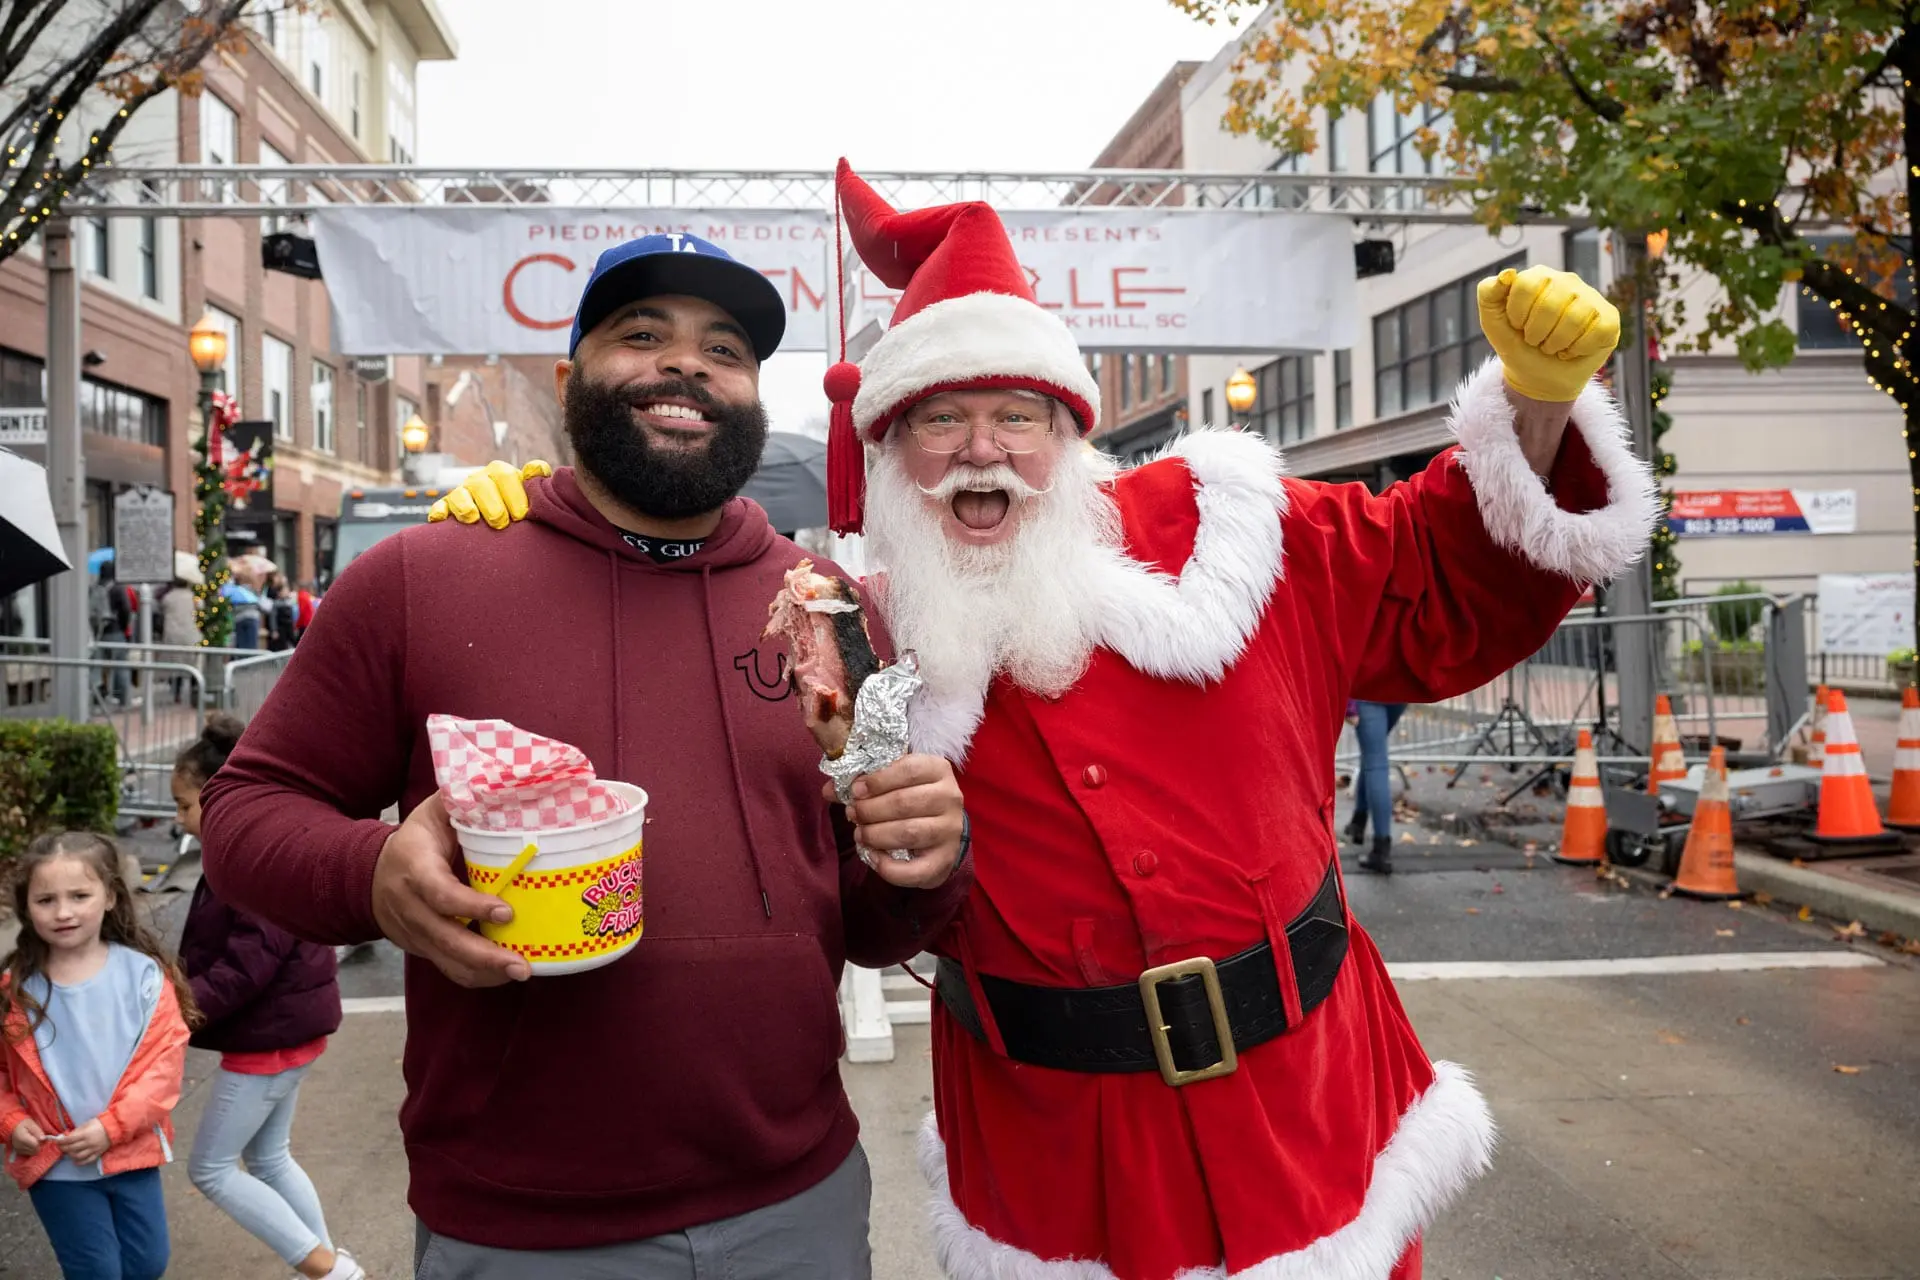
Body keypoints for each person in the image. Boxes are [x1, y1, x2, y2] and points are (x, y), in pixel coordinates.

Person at [453, 165, 1660, 1278]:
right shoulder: (845, 627)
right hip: (1055, 1154)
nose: (984, 456)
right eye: (941, 420)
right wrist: (536, 516)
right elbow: (675, 664)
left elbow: (1436, 578)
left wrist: (1538, 409)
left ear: (1072, 436)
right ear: (887, 454)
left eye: (1017, 417)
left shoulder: (1230, 533)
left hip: (1307, 1110)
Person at [197, 233, 974, 1279]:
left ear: (750, 391)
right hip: (520, 1225)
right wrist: (373, 873)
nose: (686, 366)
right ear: (570, 381)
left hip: (802, 1200)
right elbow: (249, 807)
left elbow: (871, 914)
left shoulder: (827, 605)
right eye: (642, 335)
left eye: (725, 349)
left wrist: (925, 860)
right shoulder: (423, 578)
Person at [172, 716, 360, 1280]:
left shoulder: (246, 857)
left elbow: (247, 964)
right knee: (268, 1158)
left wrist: (180, 1007)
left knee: (210, 1169)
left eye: (184, 805)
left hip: (269, 1040)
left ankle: (332, 1271)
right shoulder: (248, 846)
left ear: (217, 796)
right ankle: (335, 1269)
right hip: (288, 1030)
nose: (178, 819)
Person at [0, 831, 195, 1280]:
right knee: (95, 1271)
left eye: (80, 895)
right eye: (45, 899)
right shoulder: (15, 988)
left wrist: (111, 1128)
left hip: (131, 1151)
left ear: (110, 896)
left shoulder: (144, 975)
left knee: (148, 1264)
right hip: (56, 1164)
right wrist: (10, 1122)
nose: (63, 911)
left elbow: (163, 1068)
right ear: (25, 907)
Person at [1347, 698, 1410, 874]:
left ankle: (1381, 850)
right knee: (1373, 752)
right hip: (1399, 689)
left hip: (1367, 689)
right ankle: (1359, 819)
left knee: (1375, 759)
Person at [89, 563, 135, 706]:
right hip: (115, 631)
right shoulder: (118, 589)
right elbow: (126, 609)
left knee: (98, 668)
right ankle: (124, 700)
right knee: (121, 666)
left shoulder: (94, 589)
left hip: (99, 634)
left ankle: (97, 698)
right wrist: (123, 627)